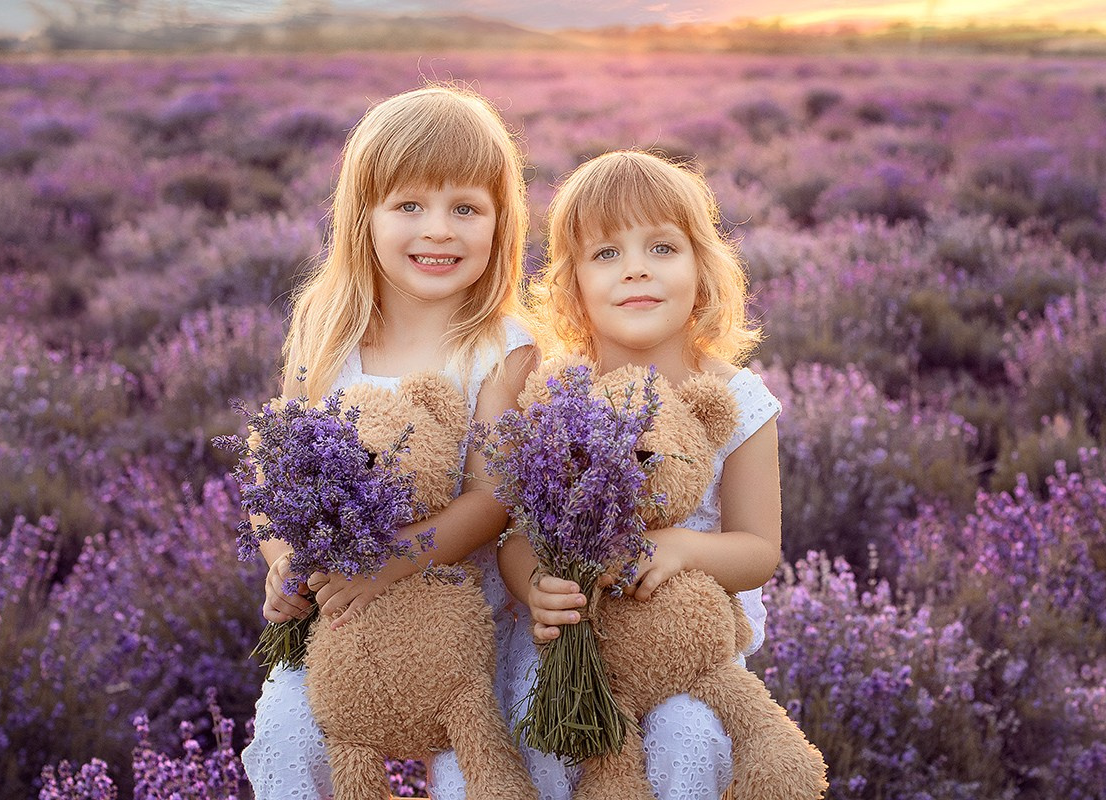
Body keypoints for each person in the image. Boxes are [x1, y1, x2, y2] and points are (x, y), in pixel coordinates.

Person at [239, 84, 536, 800]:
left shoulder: (503, 346)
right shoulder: (328, 327)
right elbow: (274, 471)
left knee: (480, 775)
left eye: (466, 208)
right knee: (284, 738)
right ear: (362, 217)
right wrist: (281, 564)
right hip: (344, 616)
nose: (439, 230)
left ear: (500, 223)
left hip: (469, 625)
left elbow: (494, 496)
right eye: (409, 205)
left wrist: (390, 565)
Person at [498, 149, 783, 799]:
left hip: (688, 654)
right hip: (575, 650)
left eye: (661, 248)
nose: (635, 271)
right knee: (545, 745)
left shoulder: (737, 399)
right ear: (572, 286)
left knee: (690, 740)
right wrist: (534, 584)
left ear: (702, 266)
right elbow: (517, 534)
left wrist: (682, 547)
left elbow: (758, 552)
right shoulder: (561, 394)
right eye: (606, 255)